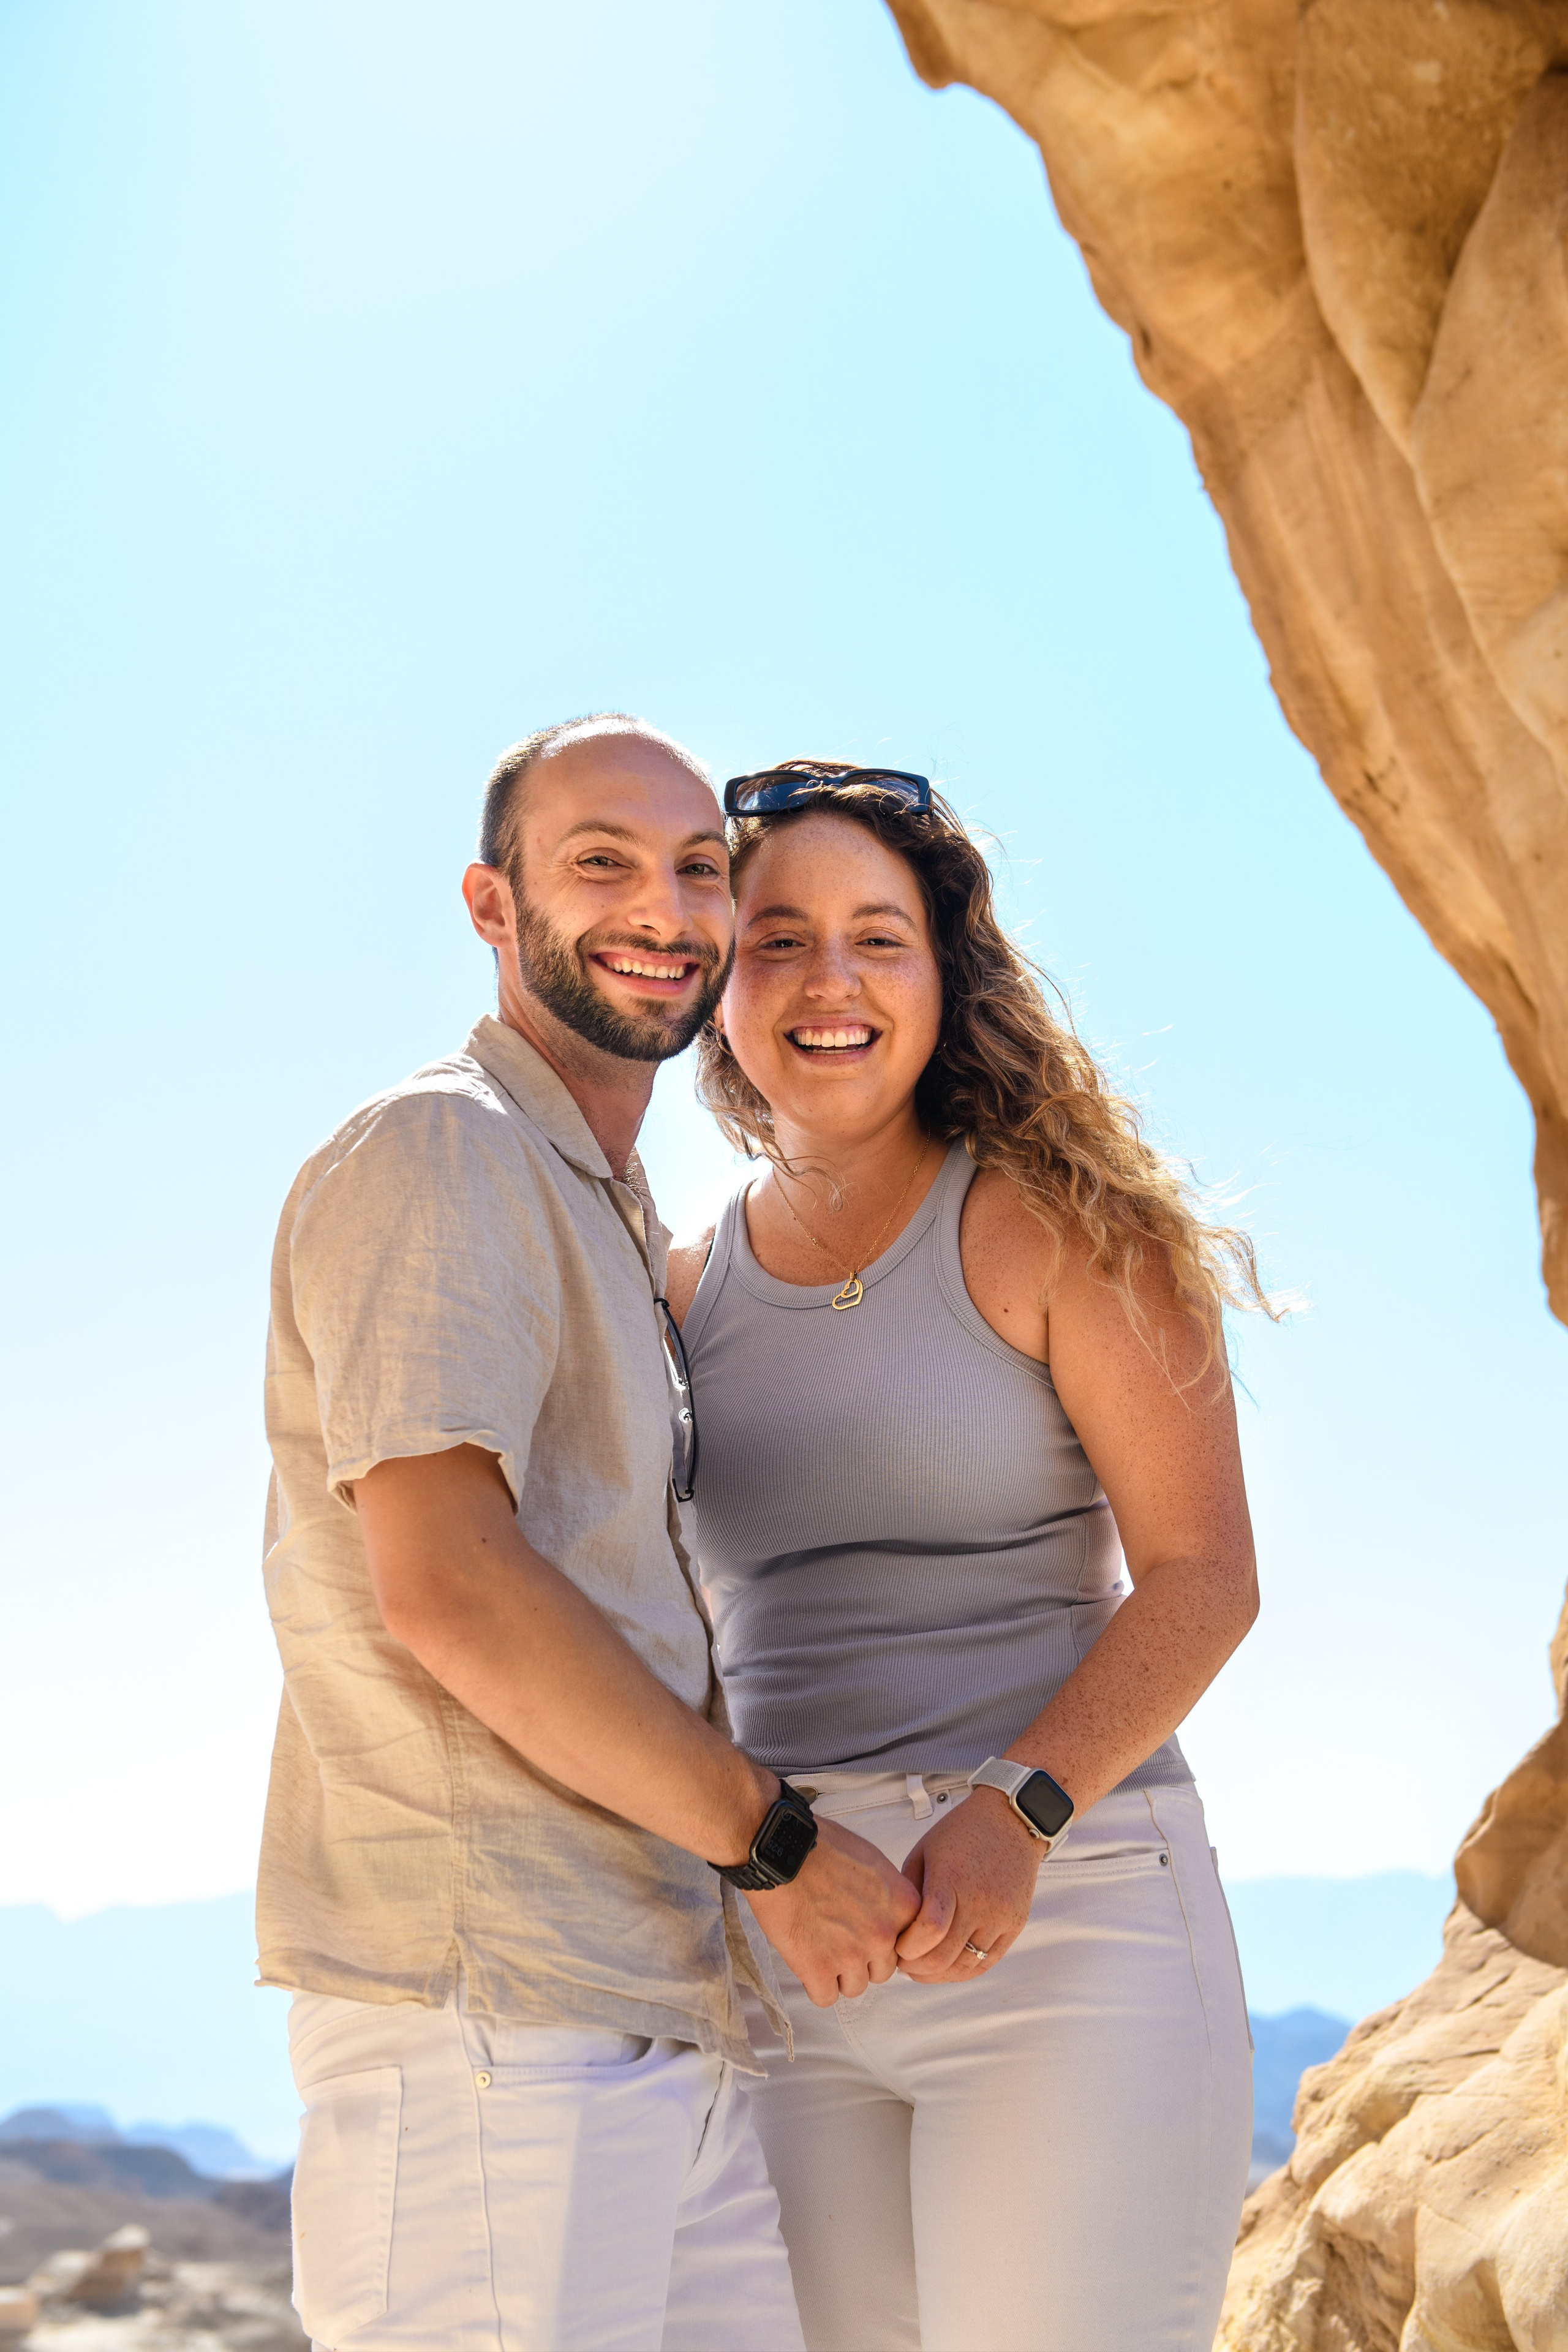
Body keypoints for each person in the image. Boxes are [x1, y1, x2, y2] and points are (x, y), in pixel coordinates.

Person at [257, 718, 919, 2352]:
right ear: (494, 905)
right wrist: (775, 1848)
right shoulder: (446, 1152)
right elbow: (453, 1587)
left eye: (700, 870)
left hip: (653, 2015)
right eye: (600, 864)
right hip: (491, 2021)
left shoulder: (603, 1208)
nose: (664, 908)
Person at [665, 761, 1267, 2352]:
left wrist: (1018, 1810)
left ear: (945, 978)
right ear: (717, 979)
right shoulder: (678, 1289)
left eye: (880, 937)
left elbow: (1208, 1573)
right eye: (777, 937)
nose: (830, 980)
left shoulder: (1063, 1224)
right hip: (792, 1927)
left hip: (1062, 1912)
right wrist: (756, 1862)